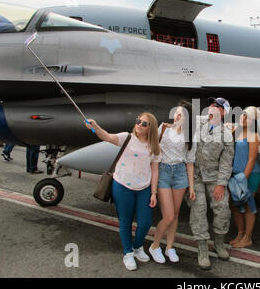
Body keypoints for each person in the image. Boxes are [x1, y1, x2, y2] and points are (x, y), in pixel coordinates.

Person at [85, 113, 160, 271]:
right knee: (125, 222)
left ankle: (137, 247)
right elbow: (106, 136)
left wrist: (154, 192)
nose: (139, 124)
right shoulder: (126, 137)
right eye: (138, 121)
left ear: (150, 128)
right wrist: (95, 126)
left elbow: (155, 170)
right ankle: (128, 253)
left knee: (145, 222)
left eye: (144, 123)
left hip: (144, 188)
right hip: (122, 186)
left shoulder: (154, 146)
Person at [188, 97, 234, 270]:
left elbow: (226, 161)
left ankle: (219, 243)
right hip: (196, 177)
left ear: (223, 112)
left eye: (217, 106)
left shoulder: (226, 134)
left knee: (222, 209)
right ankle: (202, 249)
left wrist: (221, 184)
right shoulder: (196, 124)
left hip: (215, 178)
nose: (212, 107)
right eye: (211, 104)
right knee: (198, 210)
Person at [149, 100, 197, 264]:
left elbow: (190, 163)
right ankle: (155, 246)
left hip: (180, 174)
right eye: (176, 112)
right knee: (168, 216)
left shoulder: (190, 137)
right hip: (163, 171)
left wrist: (191, 187)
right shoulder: (163, 128)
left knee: (175, 215)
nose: (177, 115)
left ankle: (169, 247)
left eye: (181, 114)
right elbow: (152, 150)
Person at [228, 106, 260, 248]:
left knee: (247, 205)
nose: (243, 118)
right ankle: (240, 233)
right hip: (235, 175)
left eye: (246, 116)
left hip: (249, 175)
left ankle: (248, 237)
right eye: (242, 115)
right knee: (235, 205)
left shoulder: (253, 136)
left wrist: (243, 179)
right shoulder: (236, 132)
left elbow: (252, 159)